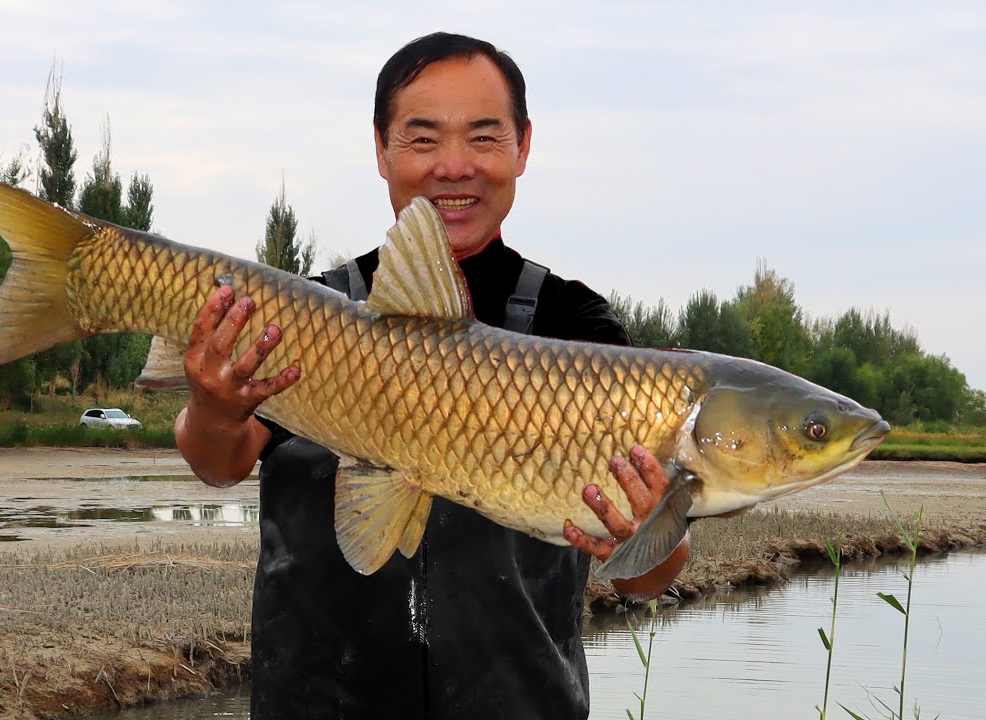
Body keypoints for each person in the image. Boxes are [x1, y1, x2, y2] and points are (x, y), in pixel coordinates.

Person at [174, 32, 690, 719]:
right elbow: (219, 463)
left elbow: (647, 581)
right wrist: (212, 408)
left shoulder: (581, 329)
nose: (454, 167)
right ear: (382, 149)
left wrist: (644, 532)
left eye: (483, 138)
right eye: (422, 139)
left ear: (522, 147)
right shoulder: (304, 311)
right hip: (316, 700)